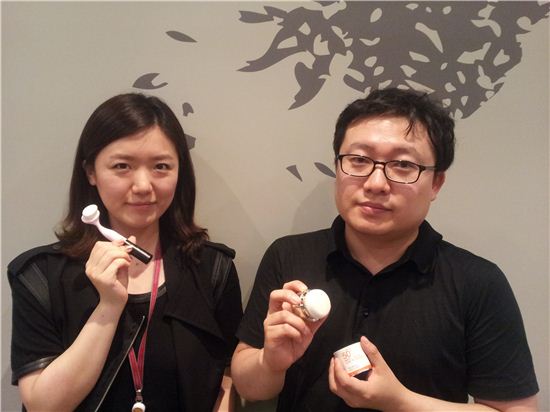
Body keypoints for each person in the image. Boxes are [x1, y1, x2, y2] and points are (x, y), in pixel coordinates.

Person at [231, 88, 539, 411]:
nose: (376, 183)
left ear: (436, 183)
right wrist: (271, 362)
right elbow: (249, 387)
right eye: (359, 160)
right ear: (337, 167)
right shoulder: (288, 256)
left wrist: (400, 402)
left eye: (403, 165)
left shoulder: (478, 282)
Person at [8, 93, 243, 411]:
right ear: (91, 172)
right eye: (122, 166)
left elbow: (227, 377)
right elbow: (43, 405)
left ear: (180, 172)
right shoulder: (39, 276)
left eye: (161, 166)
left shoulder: (212, 268)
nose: (143, 185)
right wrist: (108, 306)